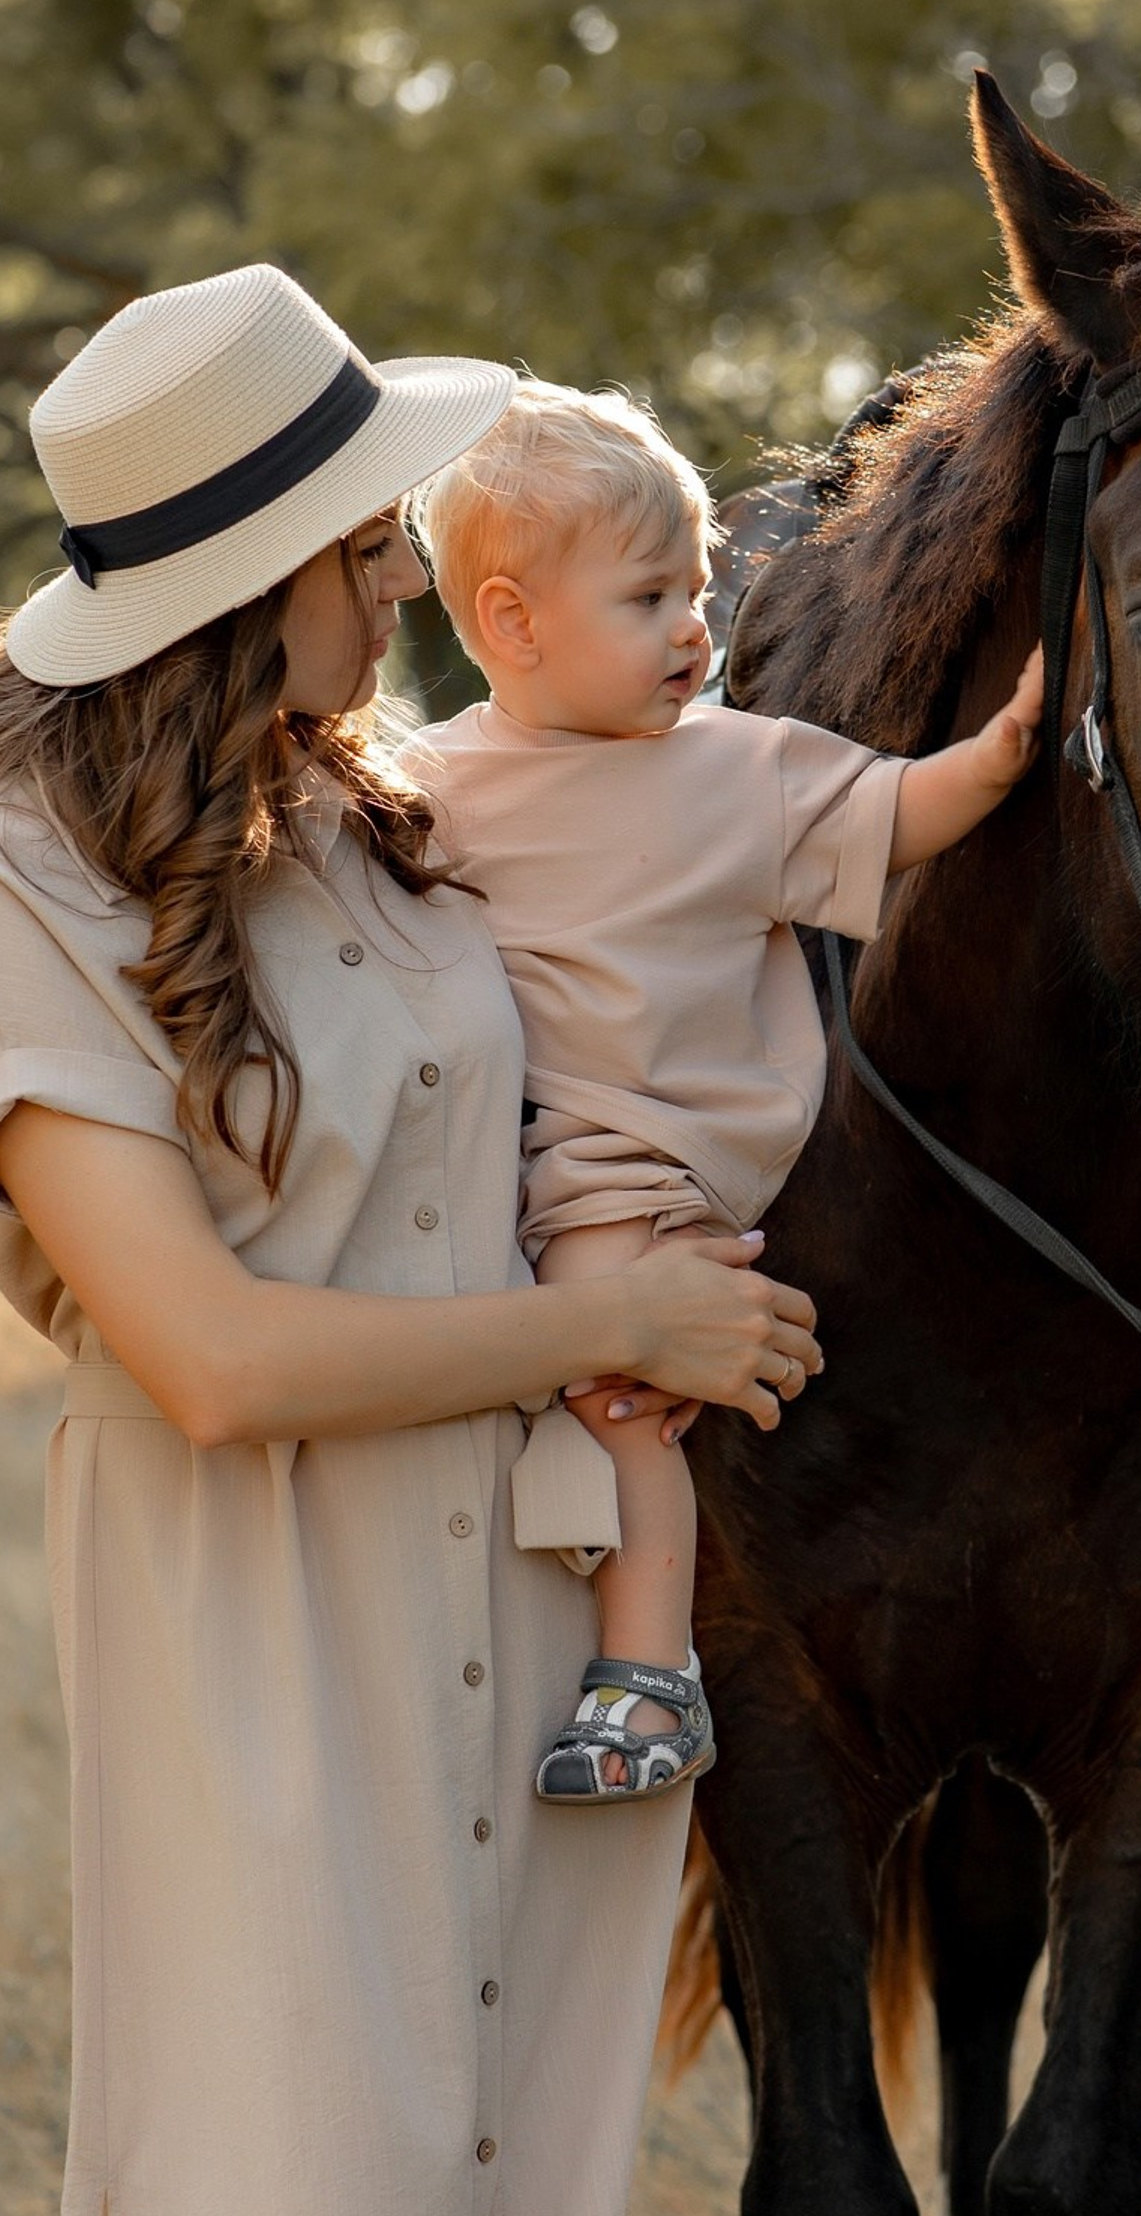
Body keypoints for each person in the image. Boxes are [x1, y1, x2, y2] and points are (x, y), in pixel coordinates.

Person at [0, 265, 824, 2216]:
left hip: (544, 1619)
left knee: (520, 2178)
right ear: (252, 568)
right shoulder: (0, 890)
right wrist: (619, 1313)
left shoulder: (373, 812)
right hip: (269, 1630)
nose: (400, 585)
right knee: (292, 2173)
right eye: (372, 541)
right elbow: (209, 1355)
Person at [411, 378, 1040, 1803]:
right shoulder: (428, 787)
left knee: (624, 1393)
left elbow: (893, 815)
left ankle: (651, 1675)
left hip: (648, 1171)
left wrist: (998, 754)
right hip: (494, 1164)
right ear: (512, 623)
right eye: (649, 599)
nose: (697, 626)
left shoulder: (741, 771)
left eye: (696, 589)